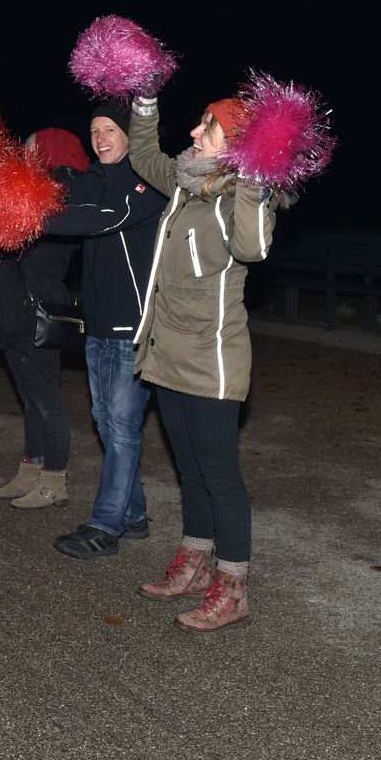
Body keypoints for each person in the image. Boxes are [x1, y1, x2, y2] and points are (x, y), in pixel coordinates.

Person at [125, 87, 282, 632]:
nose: (194, 133)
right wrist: (145, 102)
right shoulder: (189, 185)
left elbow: (252, 248)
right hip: (166, 351)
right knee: (188, 468)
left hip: (212, 358)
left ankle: (234, 586)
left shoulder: (241, 193)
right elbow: (144, 158)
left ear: (235, 144)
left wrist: (257, 175)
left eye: (207, 127)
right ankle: (193, 561)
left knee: (219, 475)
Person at [45, 103, 170, 558]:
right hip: (96, 327)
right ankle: (133, 516)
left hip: (132, 330)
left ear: (130, 133)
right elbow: (59, 191)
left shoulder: (148, 185)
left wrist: (32, 216)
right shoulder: (92, 180)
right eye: (94, 129)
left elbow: (98, 219)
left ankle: (106, 525)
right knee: (107, 423)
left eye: (110, 129)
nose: (100, 138)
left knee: (120, 428)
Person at [0, 129, 84, 510]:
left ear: (52, 153)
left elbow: (13, 247)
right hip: (14, 309)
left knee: (47, 400)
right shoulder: (31, 195)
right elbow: (0, 245)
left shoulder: (62, 201)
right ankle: (32, 470)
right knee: (31, 399)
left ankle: (55, 480)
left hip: (36, 312)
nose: (23, 152)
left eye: (31, 147)